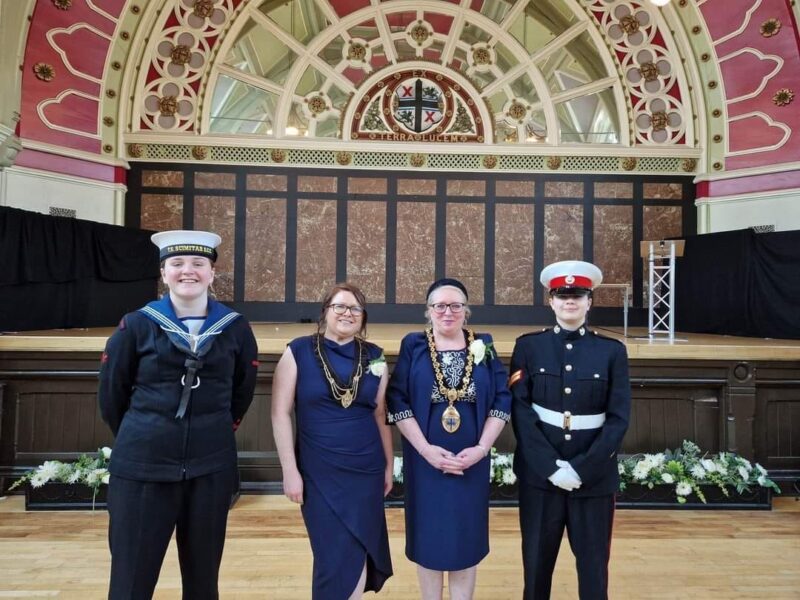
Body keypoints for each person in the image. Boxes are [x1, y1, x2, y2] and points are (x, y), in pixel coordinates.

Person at [98, 230, 259, 600]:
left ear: (212, 273)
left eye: (199, 264)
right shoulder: (136, 325)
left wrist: (212, 430)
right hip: (142, 469)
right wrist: (147, 435)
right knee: (130, 580)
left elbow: (242, 391)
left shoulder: (235, 328)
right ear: (164, 273)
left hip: (210, 469)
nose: (189, 271)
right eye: (178, 264)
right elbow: (112, 395)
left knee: (203, 582)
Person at [509, 260, 631, 600]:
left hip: (593, 479)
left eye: (578, 295)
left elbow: (618, 419)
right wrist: (551, 467)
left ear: (590, 301)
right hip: (540, 479)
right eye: (562, 296)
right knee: (536, 568)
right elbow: (520, 411)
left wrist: (581, 468)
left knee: (594, 571)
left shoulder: (612, 352)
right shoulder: (529, 347)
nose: (570, 302)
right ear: (551, 301)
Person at [386, 278, 511, 600]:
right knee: (429, 537)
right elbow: (397, 399)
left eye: (456, 305)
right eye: (439, 305)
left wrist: (482, 449)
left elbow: (502, 398)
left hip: (472, 459)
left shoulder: (484, 343)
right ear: (428, 312)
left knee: (465, 537)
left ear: (466, 312)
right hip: (425, 459)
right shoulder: (413, 344)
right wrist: (426, 451)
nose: (448, 312)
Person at [271, 282, 393, 599]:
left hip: (366, 470)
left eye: (354, 308)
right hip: (318, 471)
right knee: (330, 555)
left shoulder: (376, 357)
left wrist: (388, 465)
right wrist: (289, 471)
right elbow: (280, 414)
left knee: (360, 548)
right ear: (325, 312)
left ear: (363, 317)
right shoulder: (297, 351)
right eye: (339, 306)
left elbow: (380, 416)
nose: (347, 313)